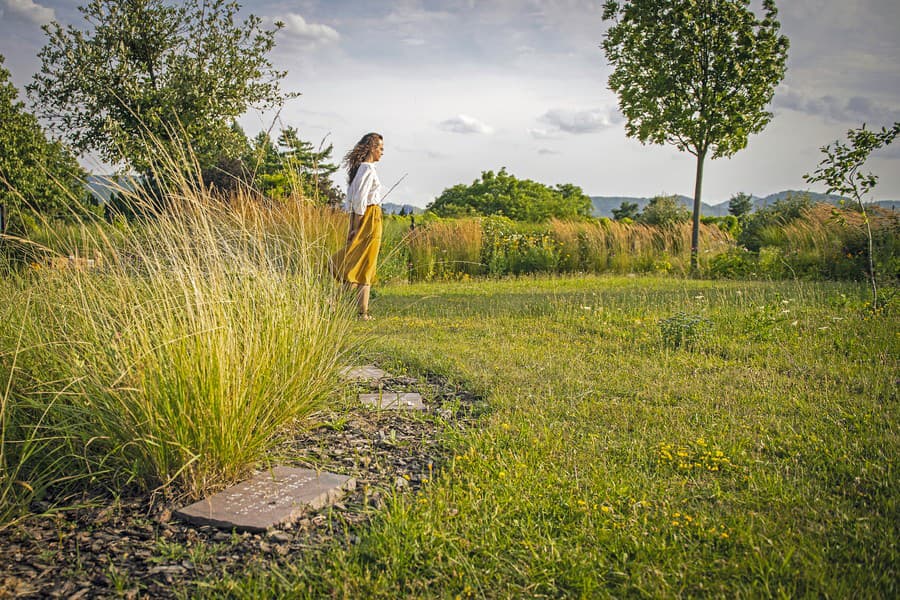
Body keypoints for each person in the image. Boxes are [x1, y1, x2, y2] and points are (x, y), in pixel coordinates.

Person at [332, 132, 384, 320]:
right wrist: (356, 227)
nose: (382, 152)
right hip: (370, 218)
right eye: (380, 148)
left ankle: (338, 306)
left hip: (365, 217)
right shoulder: (367, 169)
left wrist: (353, 226)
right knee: (366, 264)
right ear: (371, 147)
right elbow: (359, 201)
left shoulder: (360, 170)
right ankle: (361, 312)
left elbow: (353, 202)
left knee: (359, 263)